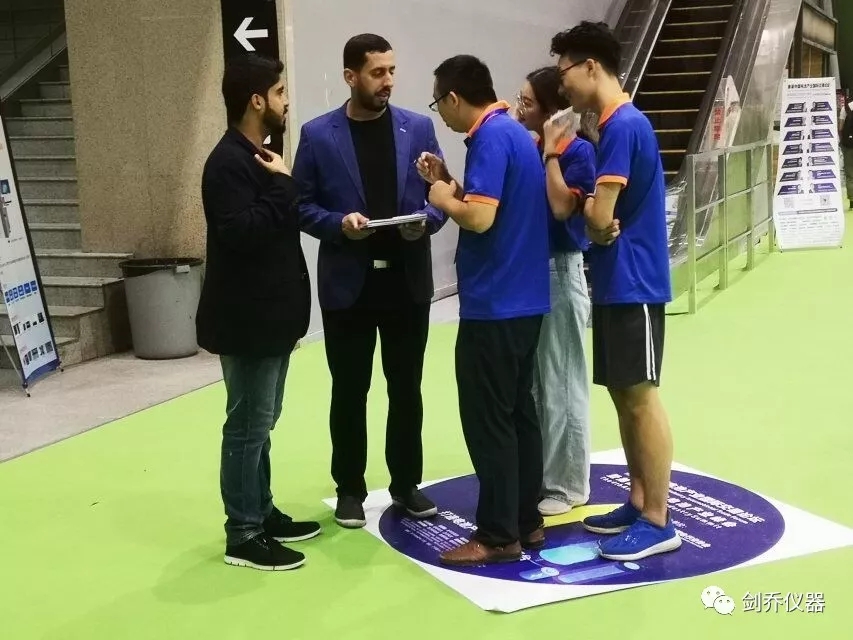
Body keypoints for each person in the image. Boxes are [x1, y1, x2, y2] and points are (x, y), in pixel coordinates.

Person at [292, 34, 448, 529]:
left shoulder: (417, 128)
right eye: (378, 72)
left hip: (407, 283)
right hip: (348, 286)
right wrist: (338, 224)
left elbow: (443, 192)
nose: (388, 81)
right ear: (350, 76)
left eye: (391, 71)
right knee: (349, 392)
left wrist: (426, 221)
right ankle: (349, 490)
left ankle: (406, 485)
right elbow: (300, 205)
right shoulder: (318, 135)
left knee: (406, 389)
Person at [551, 21, 681, 561]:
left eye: (564, 72)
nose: (561, 84)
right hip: (612, 282)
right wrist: (594, 215)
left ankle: (658, 518)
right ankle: (638, 499)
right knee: (623, 396)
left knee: (641, 397)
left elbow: (601, 217)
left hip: (635, 283)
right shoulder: (609, 127)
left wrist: (590, 211)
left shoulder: (624, 126)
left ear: (590, 67)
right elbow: (598, 219)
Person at [420, 55, 551, 565]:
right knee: (520, 414)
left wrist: (441, 197)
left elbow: (479, 217)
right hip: (524, 300)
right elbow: (494, 202)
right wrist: (452, 182)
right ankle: (526, 520)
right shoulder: (515, 135)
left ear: (454, 98)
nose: (441, 114)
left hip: (495, 304)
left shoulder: (491, 137)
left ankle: (497, 534)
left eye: (439, 103)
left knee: (489, 420)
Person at [196, 54, 319, 572]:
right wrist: (283, 186)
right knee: (247, 426)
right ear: (256, 100)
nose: (286, 101)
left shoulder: (259, 157)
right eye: (280, 92)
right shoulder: (229, 163)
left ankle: (262, 512)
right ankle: (243, 531)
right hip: (246, 321)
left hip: (269, 319)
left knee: (262, 422)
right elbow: (240, 232)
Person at [515, 66, 596, 516]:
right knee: (536, 382)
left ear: (552, 111)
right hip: (530, 273)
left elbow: (562, 207)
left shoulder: (578, 152)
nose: (520, 107)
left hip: (561, 270)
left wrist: (550, 154)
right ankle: (543, 473)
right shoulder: (527, 148)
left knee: (563, 379)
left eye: (528, 102)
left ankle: (568, 485)